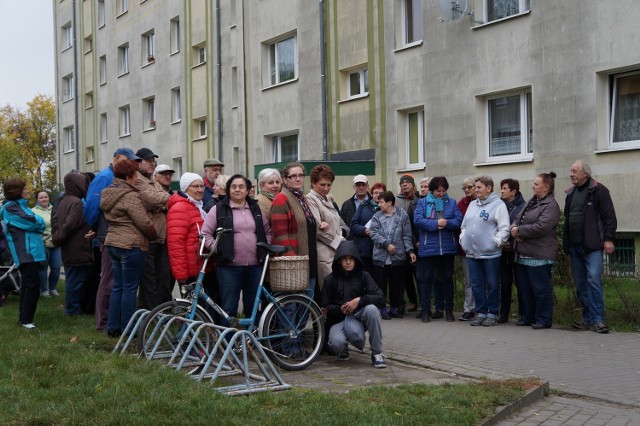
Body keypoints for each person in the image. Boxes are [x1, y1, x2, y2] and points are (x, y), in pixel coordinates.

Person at [84, 147, 141, 330]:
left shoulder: (116, 176)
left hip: (113, 234)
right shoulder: (104, 177)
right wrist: (95, 228)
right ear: (116, 158)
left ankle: (113, 322)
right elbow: (92, 207)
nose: (132, 163)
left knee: (117, 282)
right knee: (109, 280)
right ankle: (103, 322)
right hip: (108, 234)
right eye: (128, 159)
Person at [202, 175, 271, 323]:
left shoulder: (255, 208)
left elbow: (267, 232)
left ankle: (251, 342)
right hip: (229, 268)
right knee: (228, 310)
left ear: (247, 191)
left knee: (252, 308)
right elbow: (205, 234)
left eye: (241, 187)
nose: (237, 189)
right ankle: (228, 344)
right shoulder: (218, 209)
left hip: (255, 266)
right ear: (228, 190)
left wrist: (265, 247)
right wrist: (218, 248)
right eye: (233, 187)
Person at [101, 159, 157, 337]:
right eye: (135, 175)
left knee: (118, 286)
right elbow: (143, 222)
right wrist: (153, 234)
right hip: (131, 244)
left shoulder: (107, 193)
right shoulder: (130, 195)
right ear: (128, 176)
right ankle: (128, 328)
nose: (137, 178)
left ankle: (113, 327)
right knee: (130, 288)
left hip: (113, 243)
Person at [564, 160, 617, 334]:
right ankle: (587, 318)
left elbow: (609, 217)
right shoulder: (571, 193)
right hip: (575, 246)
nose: (571, 174)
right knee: (580, 285)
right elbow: (568, 220)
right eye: (571, 170)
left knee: (593, 280)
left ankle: (598, 320)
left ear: (585, 174)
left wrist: (608, 239)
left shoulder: (599, 190)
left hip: (593, 245)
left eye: (574, 171)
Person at [320, 240, 387, 368]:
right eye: (345, 259)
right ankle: (342, 349)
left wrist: (359, 301)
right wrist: (340, 309)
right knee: (336, 343)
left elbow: (381, 298)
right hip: (338, 320)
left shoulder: (364, 276)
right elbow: (325, 306)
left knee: (372, 310)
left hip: (358, 316)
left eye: (351, 259)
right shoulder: (330, 279)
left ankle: (377, 354)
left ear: (356, 260)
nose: (348, 262)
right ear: (339, 260)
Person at [511, 172, 561, 329]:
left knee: (540, 289)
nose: (533, 186)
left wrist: (519, 231)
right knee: (525, 289)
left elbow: (542, 227)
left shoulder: (551, 205)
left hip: (540, 254)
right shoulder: (531, 202)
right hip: (523, 254)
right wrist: (513, 227)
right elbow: (517, 217)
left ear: (546, 187)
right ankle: (528, 317)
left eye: (536, 184)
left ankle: (543, 319)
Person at [460, 176, 510, 327]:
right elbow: (464, 226)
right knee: (476, 284)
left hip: (490, 254)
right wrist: (463, 239)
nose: (476, 190)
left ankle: (492, 313)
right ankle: (481, 313)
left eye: (479, 187)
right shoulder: (473, 204)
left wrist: (495, 242)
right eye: (475, 187)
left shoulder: (498, 205)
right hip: (472, 253)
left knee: (492, 284)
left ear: (489, 188)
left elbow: (504, 228)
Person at [414, 177, 463, 323]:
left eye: (443, 191)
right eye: (438, 191)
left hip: (447, 248)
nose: (441, 194)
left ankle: (448, 310)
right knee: (426, 279)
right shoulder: (422, 203)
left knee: (447, 279)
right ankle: (425, 310)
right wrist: (435, 224)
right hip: (429, 248)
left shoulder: (452, 202)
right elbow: (418, 220)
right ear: (431, 190)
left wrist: (447, 223)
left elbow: (459, 220)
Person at [0, 179, 46, 328]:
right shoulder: (10, 208)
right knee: (32, 285)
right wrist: (37, 222)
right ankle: (26, 320)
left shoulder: (21, 206)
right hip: (24, 251)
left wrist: (37, 222)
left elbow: (37, 221)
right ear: (16, 191)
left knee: (28, 284)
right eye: (25, 188)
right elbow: (33, 222)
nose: (27, 191)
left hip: (31, 250)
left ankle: (25, 319)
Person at [271, 162, 318, 295]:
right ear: (285, 180)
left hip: (309, 259)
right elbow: (280, 235)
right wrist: (292, 260)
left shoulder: (302, 198)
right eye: (293, 176)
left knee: (306, 304)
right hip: (294, 262)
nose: (298, 179)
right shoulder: (281, 199)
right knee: (292, 305)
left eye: (301, 175)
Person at [51, 172, 95, 316]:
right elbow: (70, 224)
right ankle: (72, 311)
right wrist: (58, 238)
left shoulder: (65, 200)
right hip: (77, 247)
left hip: (70, 248)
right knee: (75, 282)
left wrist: (57, 236)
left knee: (73, 279)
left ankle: (73, 309)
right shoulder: (76, 202)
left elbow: (56, 220)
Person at [133, 148, 171, 310]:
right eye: (148, 161)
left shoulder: (153, 181)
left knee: (158, 277)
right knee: (148, 279)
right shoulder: (137, 179)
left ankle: (149, 311)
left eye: (153, 161)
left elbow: (159, 200)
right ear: (138, 162)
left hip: (158, 236)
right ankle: (151, 314)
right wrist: (166, 198)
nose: (152, 164)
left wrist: (161, 204)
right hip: (147, 237)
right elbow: (150, 200)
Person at [369, 191, 416, 319]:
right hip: (380, 258)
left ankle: (394, 308)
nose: (379, 205)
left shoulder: (402, 215)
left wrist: (410, 251)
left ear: (389, 203)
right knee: (381, 286)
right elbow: (373, 234)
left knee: (396, 286)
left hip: (398, 257)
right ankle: (383, 308)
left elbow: (407, 235)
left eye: (381, 202)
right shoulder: (376, 217)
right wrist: (386, 245)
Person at [306, 164, 348, 290]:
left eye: (329, 185)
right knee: (328, 291)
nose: (326, 188)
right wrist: (339, 241)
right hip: (324, 252)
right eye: (322, 184)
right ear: (313, 183)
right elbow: (318, 229)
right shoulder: (310, 200)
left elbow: (337, 222)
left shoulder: (327, 199)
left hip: (335, 250)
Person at [166, 173, 211, 287]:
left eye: (202, 186)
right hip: (191, 271)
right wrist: (181, 274)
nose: (200, 190)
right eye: (195, 186)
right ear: (185, 189)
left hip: (201, 267)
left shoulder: (197, 206)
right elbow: (176, 244)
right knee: (191, 304)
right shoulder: (180, 208)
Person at [498, 178, 526, 323]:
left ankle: (523, 314)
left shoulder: (523, 207)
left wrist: (511, 242)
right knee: (505, 284)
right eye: (501, 188)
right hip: (502, 252)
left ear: (513, 191)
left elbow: (523, 227)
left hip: (518, 251)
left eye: (504, 188)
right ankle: (503, 314)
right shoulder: (498, 205)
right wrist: (502, 242)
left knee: (521, 284)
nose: (501, 191)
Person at [395, 174, 419, 315]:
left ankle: (423, 303)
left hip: (416, 242)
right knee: (405, 276)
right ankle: (411, 301)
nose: (404, 184)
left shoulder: (418, 199)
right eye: (402, 182)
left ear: (412, 184)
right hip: (401, 242)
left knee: (418, 275)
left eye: (407, 182)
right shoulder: (396, 200)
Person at [350, 182, 386, 274]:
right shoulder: (363, 205)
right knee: (364, 277)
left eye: (380, 193)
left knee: (378, 281)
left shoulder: (387, 208)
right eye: (375, 192)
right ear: (371, 193)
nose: (378, 195)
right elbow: (353, 225)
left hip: (381, 250)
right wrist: (364, 231)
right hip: (365, 249)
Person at [31, 190, 62, 297]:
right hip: (42, 244)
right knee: (43, 268)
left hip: (55, 243)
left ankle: (52, 288)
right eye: (41, 197)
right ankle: (44, 290)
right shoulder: (33, 211)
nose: (44, 199)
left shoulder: (55, 209)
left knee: (56, 267)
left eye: (46, 197)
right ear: (37, 200)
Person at [457, 176, 477, 321]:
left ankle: (484, 308)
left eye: (469, 187)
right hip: (466, 249)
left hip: (484, 249)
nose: (466, 190)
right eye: (464, 188)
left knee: (484, 280)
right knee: (469, 280)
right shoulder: (461, 203)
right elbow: (459, 224)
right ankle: (468, 309)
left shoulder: (482, 202)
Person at [339, 175, 370, 239]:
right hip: (351, 241)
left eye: (363, 185)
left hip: (370, 241)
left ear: (367, 186)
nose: (361, 188)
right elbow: (342, 225)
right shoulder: (346, 205)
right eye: (358, 185)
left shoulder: (374, 203)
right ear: (354, 187)